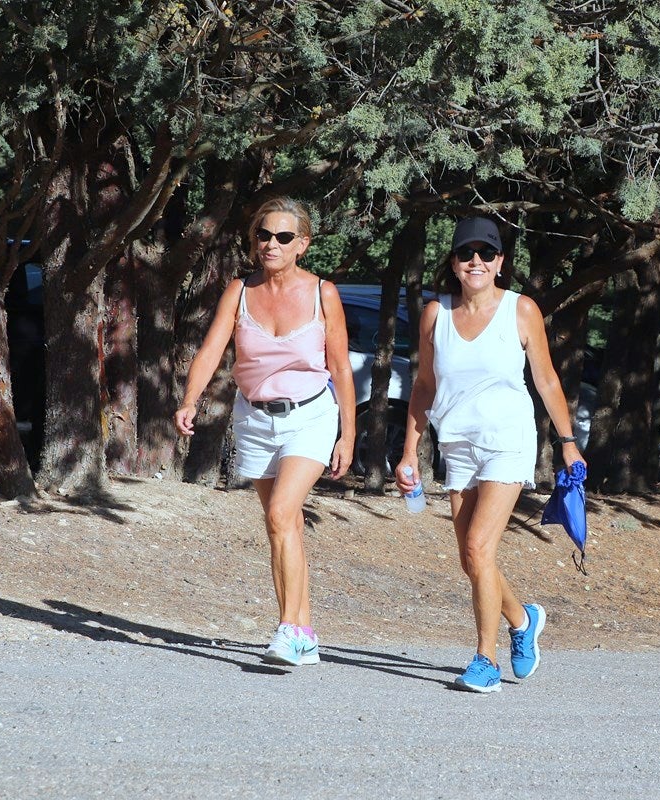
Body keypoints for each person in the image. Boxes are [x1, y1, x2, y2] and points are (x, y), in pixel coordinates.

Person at [396, 216, 585, 693]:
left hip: (508, 441)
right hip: (457, 444)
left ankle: (486, 660)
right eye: (466, 253)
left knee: (480, 548)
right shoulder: (435, 314)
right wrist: (409, 453)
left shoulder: (520, 310)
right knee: (470, 558)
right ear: (454, 263)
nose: (475, 261)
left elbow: (546, 380)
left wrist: (567, 444)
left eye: (486, 253)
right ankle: (523, 620)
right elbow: (423, 385)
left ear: (500, 262)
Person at [174, 197, 356, 667]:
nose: (271, 244)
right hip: (253, 418)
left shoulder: (324, 294)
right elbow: (213, 349)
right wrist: (189, 399)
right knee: (285, 526)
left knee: (280, 513)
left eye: (283, 237)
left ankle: (288, 630)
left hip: (311, 416)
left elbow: (340, 367)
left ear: (303, 245)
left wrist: (348, 436)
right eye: (263, 235)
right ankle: (306, 633)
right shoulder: (239, 291)